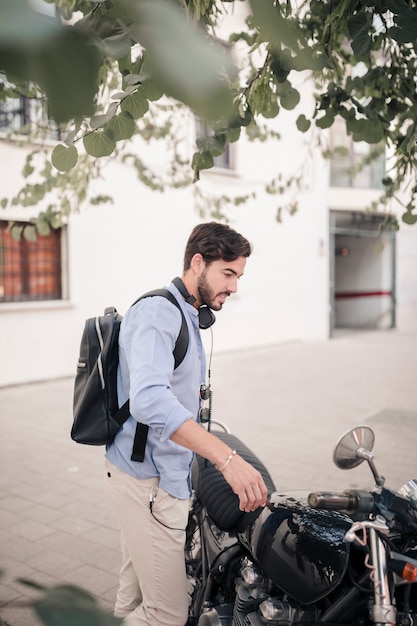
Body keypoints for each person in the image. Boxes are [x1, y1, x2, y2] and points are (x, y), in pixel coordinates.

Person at [104, 222, 268, 626]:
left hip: (159, 479)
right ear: (198, 263)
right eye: (227, 273)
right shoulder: (160, 312)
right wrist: (227, 460)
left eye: (239, 276)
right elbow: (149, 399)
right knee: (167, 615)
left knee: (134, 596)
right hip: (149, 485)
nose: (234, 286)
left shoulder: (187, 313)